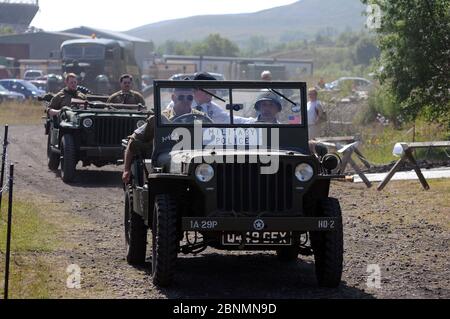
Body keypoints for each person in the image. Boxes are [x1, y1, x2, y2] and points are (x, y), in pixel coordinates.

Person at [122, 87, 205, 184]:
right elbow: (133, 140)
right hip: (165, 163)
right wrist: (126, 169)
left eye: (189, 98)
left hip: (196, 162)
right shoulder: (160, 118)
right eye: (181, 97)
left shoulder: (201, 117)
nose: (185, 101)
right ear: (173, 98)